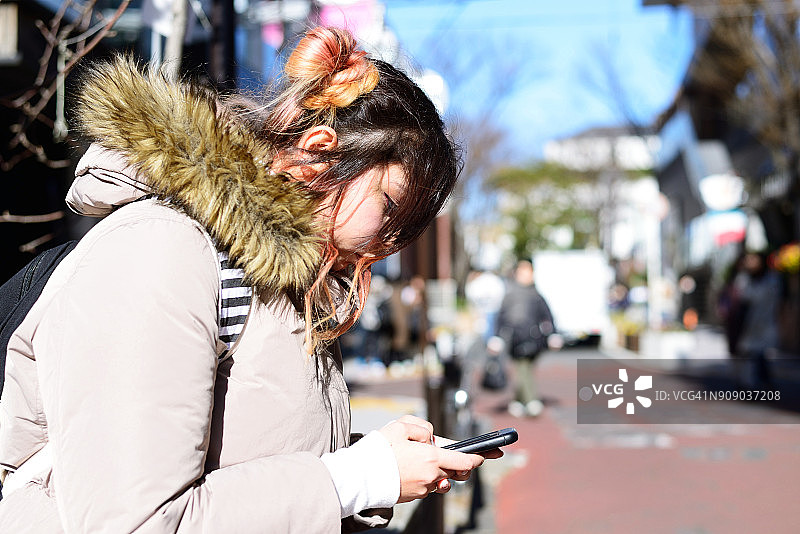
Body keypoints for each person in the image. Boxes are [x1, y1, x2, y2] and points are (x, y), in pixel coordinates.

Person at [0, 27, 498, 532]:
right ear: (320, 150)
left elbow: (245, 455)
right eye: (389, 209)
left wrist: (371, 463)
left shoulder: (278, 279)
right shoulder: (162, 249)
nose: (389, 244)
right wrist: (357, 478)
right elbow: (139, 521)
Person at [495, 260, 554, 417]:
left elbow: (547, 315)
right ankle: (531, 400)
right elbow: (501, 317)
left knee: (526, 370)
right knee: (522, 371)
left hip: (534, 340)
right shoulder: (511, 295)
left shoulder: (536, 295)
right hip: (515, 340)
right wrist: (497, 337)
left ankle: (518, 401)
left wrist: (552, 333)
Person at [734, 251, 782, 388]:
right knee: (749, 355)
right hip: (749, 324)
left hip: (765, 323)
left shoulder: (772, 279)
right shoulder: (745, 279)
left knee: (761, 355)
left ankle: (760, 384)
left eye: (753, 260)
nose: (750, 263)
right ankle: (750, 384)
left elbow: (771, 300)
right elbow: (742, 297)